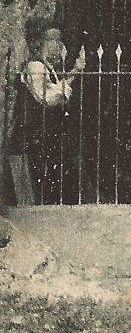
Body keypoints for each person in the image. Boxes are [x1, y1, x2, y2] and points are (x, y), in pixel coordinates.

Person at [9, 20, 86, 204]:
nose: (59, 44)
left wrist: (72, 75)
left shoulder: (48, 68)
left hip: (46, 137)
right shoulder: (35, 67)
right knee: (35, 187)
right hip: (33, 137)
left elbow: (56, 91)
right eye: (53, 39)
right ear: (41, 43)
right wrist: (73, 74)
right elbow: (47, 98)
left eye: (59, 39)